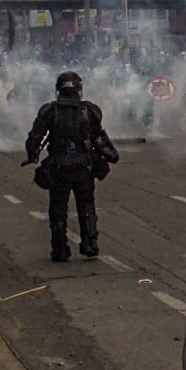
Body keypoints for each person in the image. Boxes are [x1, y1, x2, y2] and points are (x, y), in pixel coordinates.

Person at [23, 71, 120, 262]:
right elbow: (100, 139)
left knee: (58, 208)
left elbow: (34, 138)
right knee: (87, 205)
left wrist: (32, 154)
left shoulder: (49, 111)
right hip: (84, 168)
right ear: (79, 89)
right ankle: (90, 243)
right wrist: (112, 155)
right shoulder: (89, 111)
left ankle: (59, 248)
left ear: (58, 89)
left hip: (59, 168)